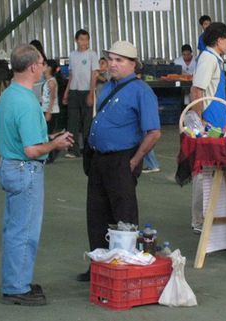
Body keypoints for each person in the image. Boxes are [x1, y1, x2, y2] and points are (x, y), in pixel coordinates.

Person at [0, 44, 74, 305]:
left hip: (9, 165)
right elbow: (31, 150)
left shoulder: (9, 95)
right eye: (41, 62)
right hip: (24, 169)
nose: (44, 66)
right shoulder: (27, 102)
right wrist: (56, 144)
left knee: (14, 228)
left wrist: (49, 137)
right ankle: (16, 286)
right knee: (25, 231)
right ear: (32, 67)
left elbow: (21, 138)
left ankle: (15, 280)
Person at [77, 41, 161, 281]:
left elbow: (154, 132)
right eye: (110, 59)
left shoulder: (142, 91)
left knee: (122, 216)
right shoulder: (107, 87)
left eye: (119, 60)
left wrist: (135, 161)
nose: (112, 64)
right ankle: (98, 266)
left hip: (122, 159)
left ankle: (123, 267)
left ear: (133, 64)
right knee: (96, 214)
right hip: (99, 159)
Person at [190, 22, 226, 234]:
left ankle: (207, 214)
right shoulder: (207, 58)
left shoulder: (215, 59)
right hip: (208, 120)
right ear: (218, 40)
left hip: (217, 119)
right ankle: (199, 220)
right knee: (203, 171)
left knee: (211, 170)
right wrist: (199, 120)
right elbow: (197, 91)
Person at [62, 29, 99, 158]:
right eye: (81, 39)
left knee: (87, 122)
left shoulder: (92, 55)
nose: (84, 42)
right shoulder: (72, 55)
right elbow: (71, 75)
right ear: (76, 40)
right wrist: (66, 92)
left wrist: (91, 93)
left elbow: (94, 75)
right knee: (72, 121)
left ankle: (88, 149)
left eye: (86, 39)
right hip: (74, 91)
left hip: (86, 91)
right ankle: (73, 150)